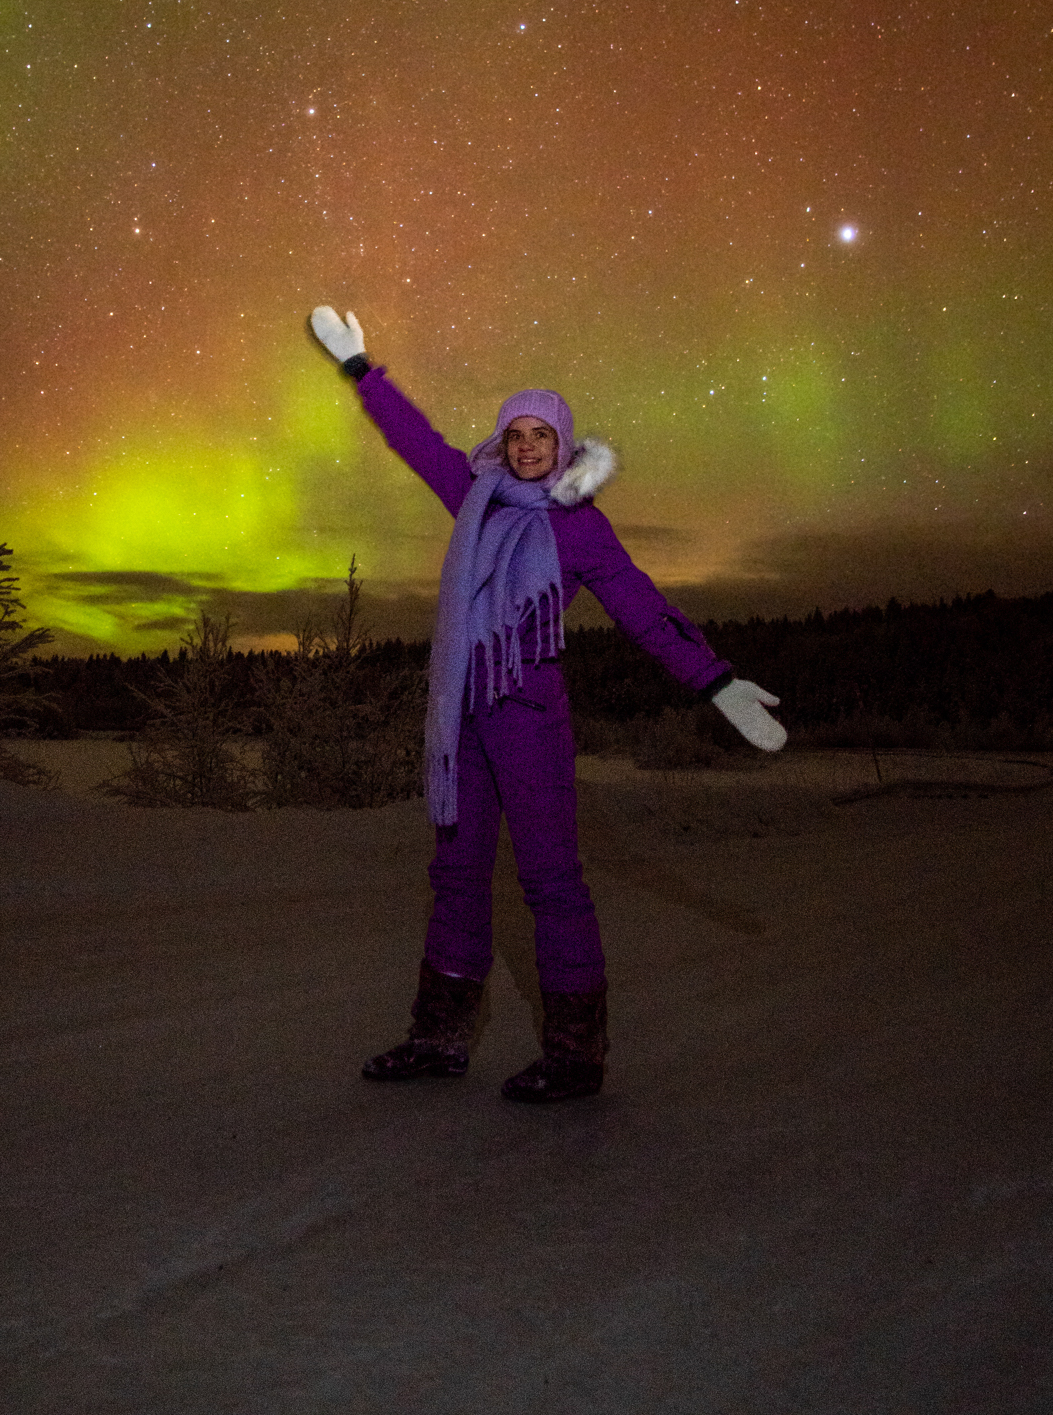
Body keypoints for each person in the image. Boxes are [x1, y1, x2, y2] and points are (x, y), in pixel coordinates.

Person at [309, 305, 785, 1104]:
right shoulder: (474, 497)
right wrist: (363, 371)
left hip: (528, 715)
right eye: (517, 435)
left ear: (564, 448)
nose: (528, 448)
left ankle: (575, 1053)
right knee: (456, 876)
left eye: (543, 437)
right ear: (502, 443)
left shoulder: (581, 529)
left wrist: (713, 678)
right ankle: (439, 1037)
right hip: (462, 713)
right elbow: (413, 437)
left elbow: (639, 604)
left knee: (550, 881)